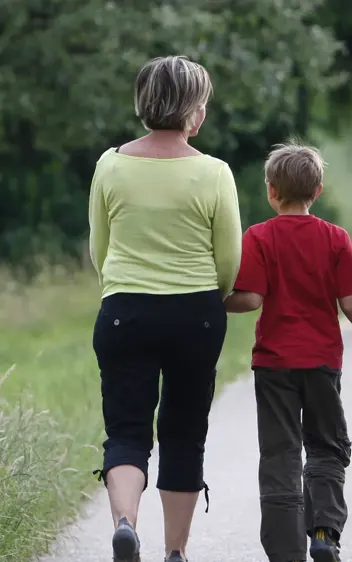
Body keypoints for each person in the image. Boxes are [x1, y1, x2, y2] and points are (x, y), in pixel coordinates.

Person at [88, 55, 242, 562]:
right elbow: (229, 260)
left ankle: (125, 524)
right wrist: (213, 297)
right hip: (195, 313)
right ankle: (175, 552)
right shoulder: (214, 172)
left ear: (144, 103)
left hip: (124, 310)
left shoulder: (110, 165)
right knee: (183, 433)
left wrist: (122, 287)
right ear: (194, 112)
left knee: (126, 431)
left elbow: (99, 249)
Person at [224, 143, 352, 562]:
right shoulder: (336, 238)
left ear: (271, 191)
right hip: (322, 362)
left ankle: (286, 551)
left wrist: (214, 302)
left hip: (274, 364)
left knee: (280, 454)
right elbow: (351, 304)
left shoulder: (259, 236)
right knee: (326, 446)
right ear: (318, 191)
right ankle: (324, 532)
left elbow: (251, 299)